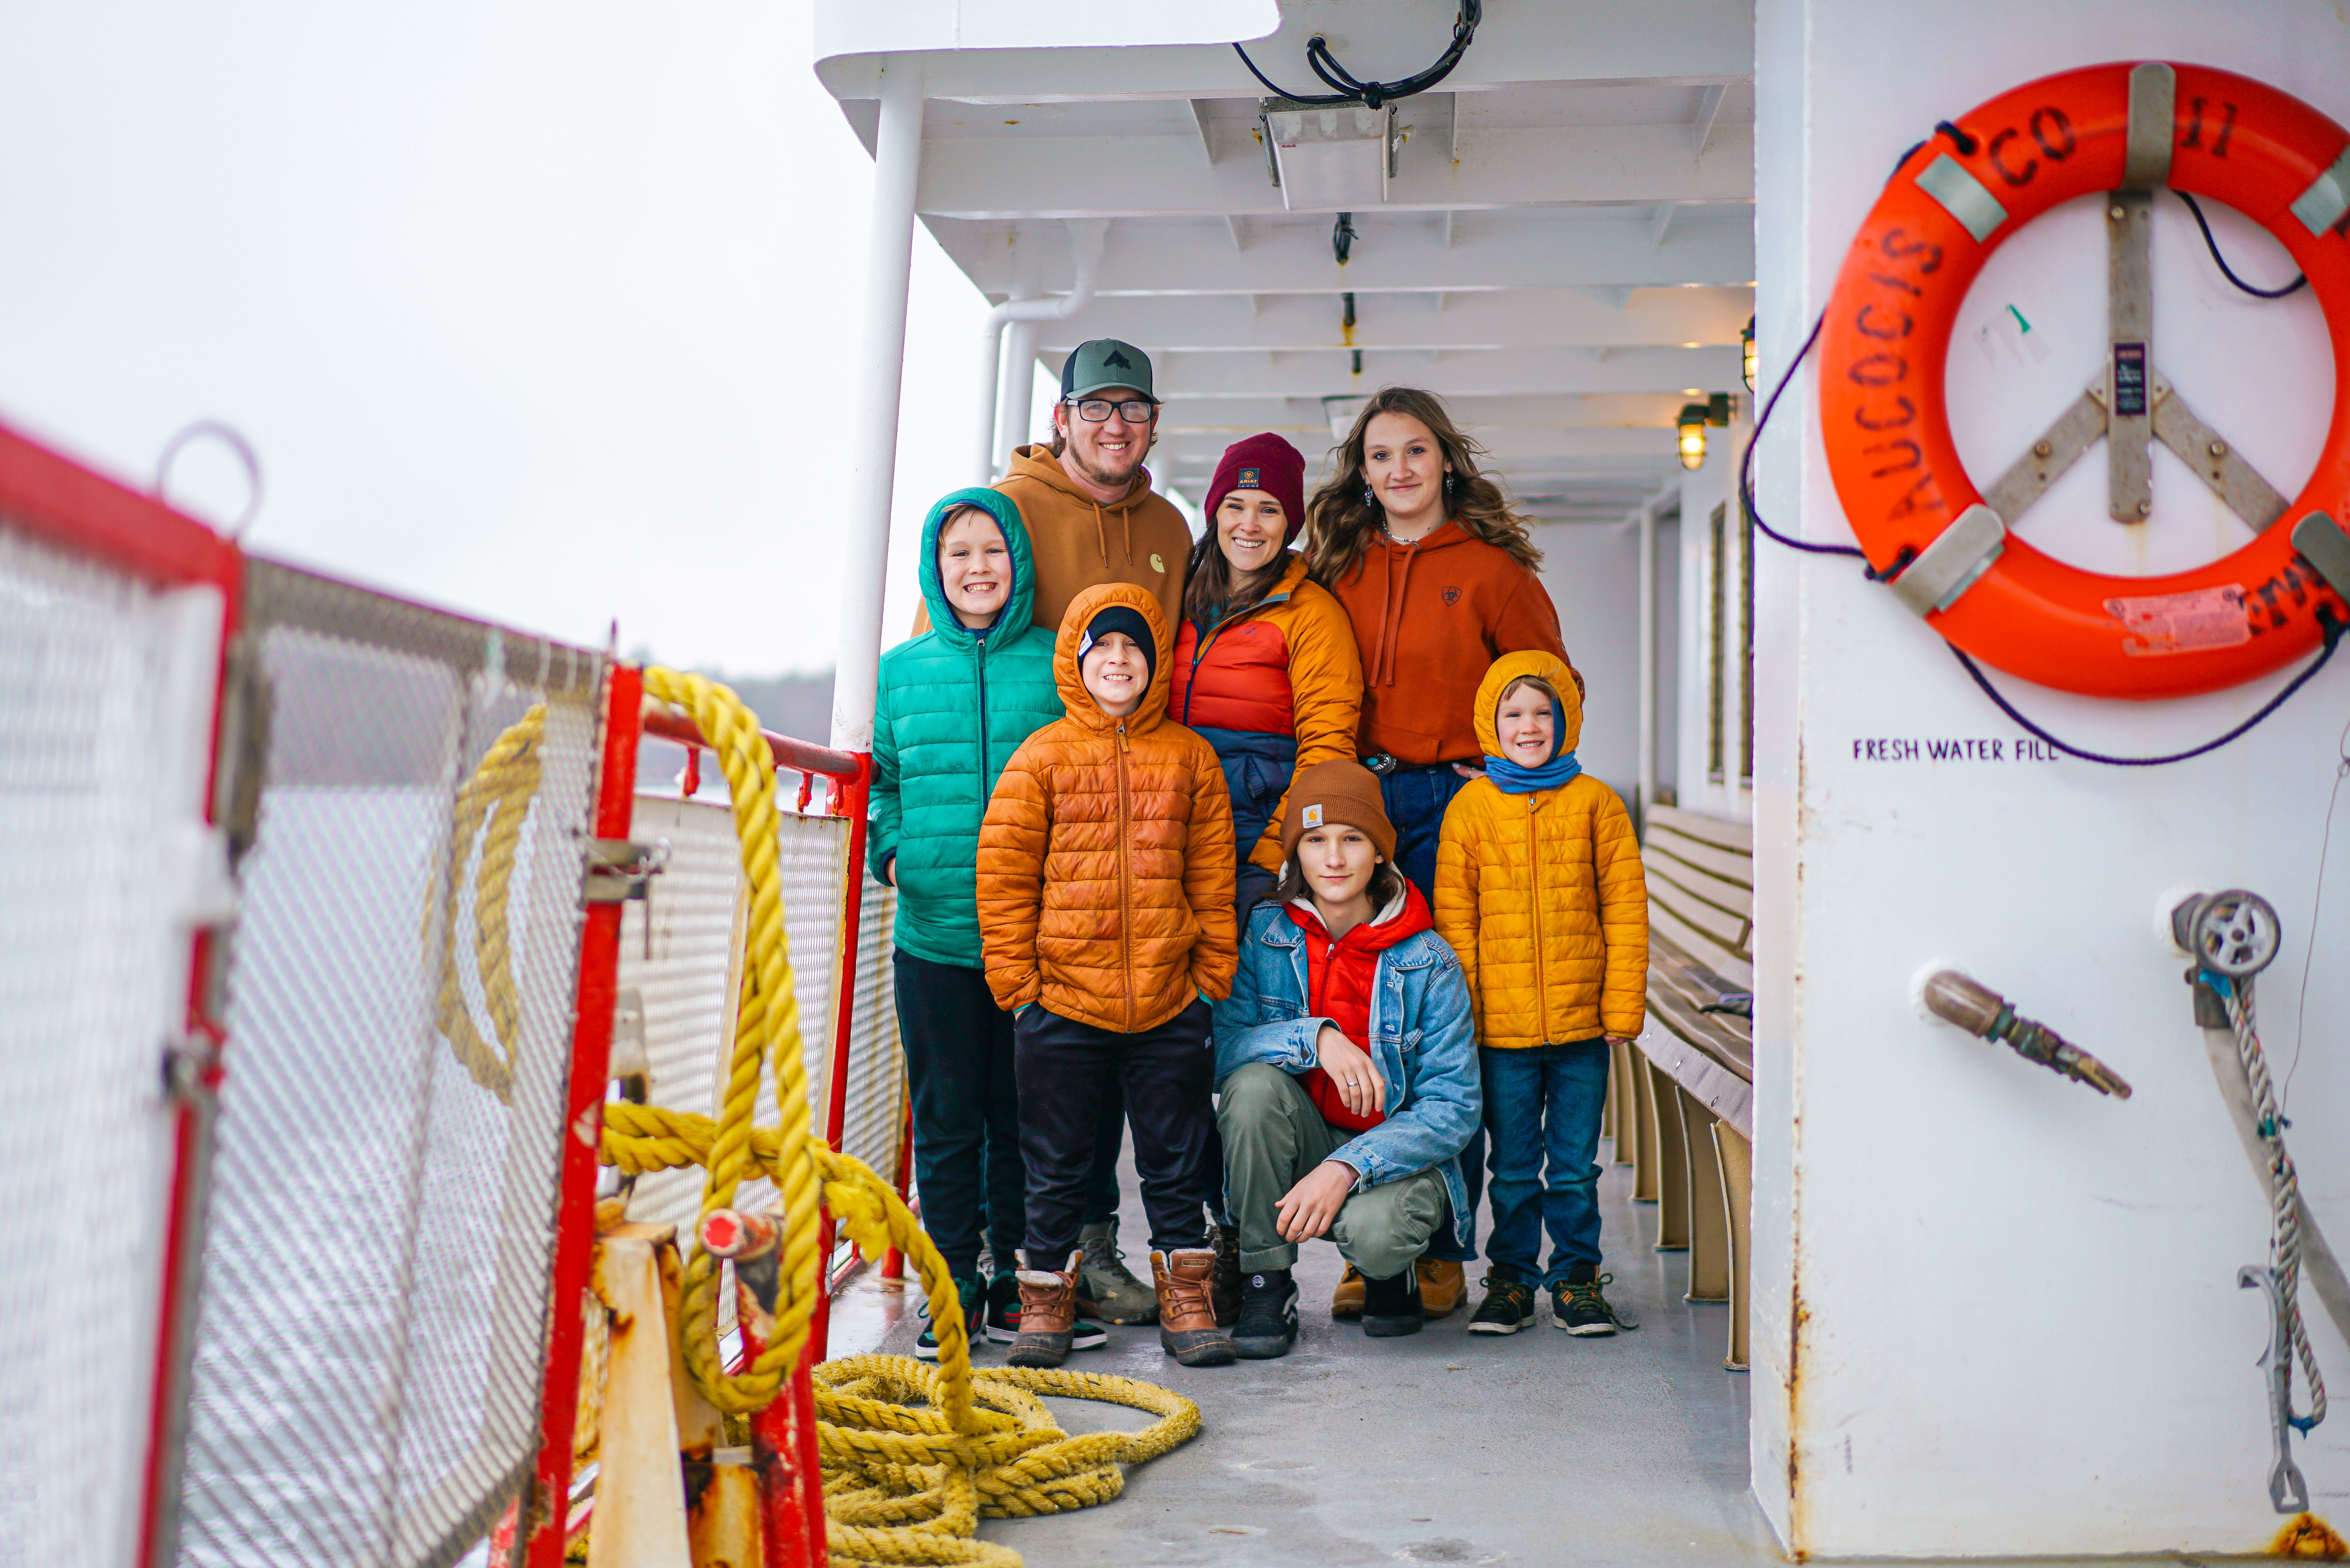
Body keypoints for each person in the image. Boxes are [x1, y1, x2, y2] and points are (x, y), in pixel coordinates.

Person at [1305, 384, 1577, 1323]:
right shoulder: (1338, 566)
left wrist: (1496, 764)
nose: (1399, 470)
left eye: (1415, 451)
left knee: (1445, 1020)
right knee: (1369, 1010)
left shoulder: (1492, 569)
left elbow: (1550, 684)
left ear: (1446, 460)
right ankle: (1369, 1242)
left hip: (1462, 807)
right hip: (1365, 810)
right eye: (1380, 456)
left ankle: (1440, 1252)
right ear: (1363, 473)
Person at [988, 336, 1202, 1324]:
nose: (1114, 424)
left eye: (1133, 408)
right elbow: (951, 629)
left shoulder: (1168, 523)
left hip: (1143, 812)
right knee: (1044, 1096)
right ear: (1062, 418)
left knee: (1146, 1092)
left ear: (1153, 422)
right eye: (1096, 407)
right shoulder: (1016, 508)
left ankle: (1110, 1254)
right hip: (1043, 808)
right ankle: (1030, 1265)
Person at [977, 583, 1241, 1368]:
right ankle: (1046, 1301)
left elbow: (1212, 873)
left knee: (1175, 1157)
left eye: (1134, 647)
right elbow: (1003, 876)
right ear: (1078, 661)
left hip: (1167, 1000)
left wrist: (1208, 977)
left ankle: (1185, 1295)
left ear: (1155, 661)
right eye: (1104, 647)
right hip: (1062, 999)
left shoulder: (1189, 756)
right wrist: (1019, 989)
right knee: (1054, 1161)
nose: (1119, 660)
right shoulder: (1043, 757)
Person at [866, 489, 1083, 1359]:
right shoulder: (900, 670)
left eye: (992, 549)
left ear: (1018, 559)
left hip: (1036, 936)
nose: (977, 567)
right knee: (946, 1118)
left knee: (1025, 1118)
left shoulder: (1053, 663)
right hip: (934, 935)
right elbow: (881, 780)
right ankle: (952, 1279)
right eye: (958, 553)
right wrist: (895, 855)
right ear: (935, 566)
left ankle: (1015, 1286)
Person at [1213, 759, 1480, 1357]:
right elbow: (1226, 1051)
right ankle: (1266, 1282)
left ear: (1381, 853)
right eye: (1315, 841)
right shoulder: (1265, 935)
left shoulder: (1429, 960)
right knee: (1252, 1087)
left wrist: (1349, 1166)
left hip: (1393, 1160)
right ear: (1295, 856)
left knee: (1376, 1234)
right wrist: (1316, 1038)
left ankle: (1389, 1270)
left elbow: (1455, 1109)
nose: (1334, 859)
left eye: (1353, 839)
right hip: (1300, 1138)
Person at [1433, 651, 1648, 1337]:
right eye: (1514, 713)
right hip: (1502, 1034)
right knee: (1516, 1167)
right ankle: (1512, 1280)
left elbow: (1624, 910)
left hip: (1585, 1028)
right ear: (1491, 723)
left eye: (1543, 713)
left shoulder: (1597, 804)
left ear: (1566, 720)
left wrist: (1621, 1007)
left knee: (1576, 1169)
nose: (1529, 726)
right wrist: (1461, 1015)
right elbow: (1455, 918)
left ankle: (1578, 1279)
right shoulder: (1469, 809)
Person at [1170, 432, 1364, 929]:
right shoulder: (1177, 600)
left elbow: (1327, 748)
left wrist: (1273, 855)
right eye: (1235, 505)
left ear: (1290, 524)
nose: (1249, 525)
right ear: (1215, 513)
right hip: (1169, 836)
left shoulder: (1313, 614)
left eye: (1269, 509)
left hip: (1253, 839)